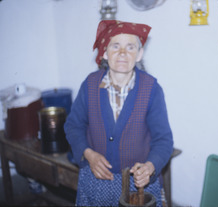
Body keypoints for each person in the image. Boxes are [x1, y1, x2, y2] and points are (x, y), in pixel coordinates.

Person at [64, 20, 173, 206]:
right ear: (104, 52)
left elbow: (163, 140)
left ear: (139, 54)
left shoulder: (151, 89)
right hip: (96, 181)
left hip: (139, 188)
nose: (123, 53)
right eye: (116, 46)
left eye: (130, 47)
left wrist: (149, 167)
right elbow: (73, 126)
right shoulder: (90, 85)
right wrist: (89, 154)